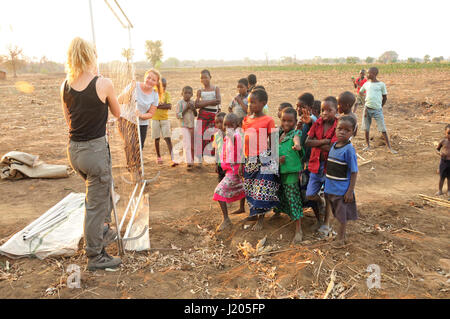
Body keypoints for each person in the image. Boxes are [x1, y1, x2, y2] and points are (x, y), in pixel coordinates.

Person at [61, 37, 122, 270]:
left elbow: (69, 120)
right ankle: (95, 255)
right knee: (94, 205)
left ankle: (102, 230)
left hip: (74, 151)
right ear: (90, 56)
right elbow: (116, 112)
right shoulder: (103, 83)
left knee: (102, 189)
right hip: (95, 151)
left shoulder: (65, 84)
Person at [241, 89, 279, 231]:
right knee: (250, 189)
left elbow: (274, 142)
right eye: (249, 102)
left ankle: (261, 219)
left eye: (253, 102)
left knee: (261, 190)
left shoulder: (269, 120)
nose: (250, 105)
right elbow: (243, 142)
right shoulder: (246, 120)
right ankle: (254, 214)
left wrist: (273, 163)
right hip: (249, 160)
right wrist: (241, 162)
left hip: (264, 159)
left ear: (263, 103)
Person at [305, 96, 338, 236]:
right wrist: (324, 141)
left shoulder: (338, 125)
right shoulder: (317, 123)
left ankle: (326, 223)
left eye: (329, 110)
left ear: (336, 111)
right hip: (315, 164)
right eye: (323, 110)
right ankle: (321, 201)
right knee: (310, 194)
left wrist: (317, 143)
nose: (325, 113)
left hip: (329, 165)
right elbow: (307, 141)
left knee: (329, 194)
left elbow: (332, 147)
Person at [324, 116, 359, 247]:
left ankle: (341, 239)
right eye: (340, 129)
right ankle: (338, 236)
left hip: (341, 190)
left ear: (353, 132)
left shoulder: (349, 150)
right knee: (336, 214)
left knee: (341, 215)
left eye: (347, 130)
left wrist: (350, 191)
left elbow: (354, 171)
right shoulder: (334, 146)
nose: (342, 132)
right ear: (335, 129)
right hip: (331, 188)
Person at [273, 107, 305, 244]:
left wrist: (297, 146)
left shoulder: (295, 133)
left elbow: (297, 141)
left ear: (295, 121)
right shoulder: (279, 133)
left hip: (291, 172)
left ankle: (299, 229)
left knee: (293, 197)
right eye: (284, 120)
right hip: (279, 170)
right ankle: (279, 214)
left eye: (290, 121)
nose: (286, 123)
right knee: (280, 193)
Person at [213, 113, 246, 231]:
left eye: (230, 125)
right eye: (225, 125)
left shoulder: (237, 135)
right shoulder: (227, 136)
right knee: (244, 189)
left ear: (236, 124)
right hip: (230, 170)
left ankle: (226, 219)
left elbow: (241, 149)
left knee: (219, 191)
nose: (227, 128)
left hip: (235, 170)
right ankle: (242, 209)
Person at [118, 69, 160, 150]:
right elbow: (120, 100)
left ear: (156, 83)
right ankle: (132, 162)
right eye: (148, 77)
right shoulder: (134, 85)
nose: (150, 81)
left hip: (142, 123)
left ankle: (136, 163)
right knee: (131, 146)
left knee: (139, 148)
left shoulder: (155, 94)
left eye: (153, 80)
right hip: (127, 120)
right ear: (145, 77)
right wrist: (131, 90)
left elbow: (151, 113)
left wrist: (141, 115)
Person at [360, 67, 397, 154]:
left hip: (377, 110)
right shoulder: (366, 84)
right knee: (366, 128)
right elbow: (361, 93)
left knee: (382, 129)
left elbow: (385, 97)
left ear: (374, 74)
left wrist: (381, 106)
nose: (367, 75)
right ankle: (368, 145)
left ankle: (389, 147)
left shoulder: (381, 85)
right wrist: (364, 102)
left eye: (369, 73)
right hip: (367, 109)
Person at [296, 93, 321, 225]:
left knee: (310, 191)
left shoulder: (312, 119)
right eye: (297, 106)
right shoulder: (302, 121)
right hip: (304, 162)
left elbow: (315, 124)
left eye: (302, 106)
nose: (299, 109)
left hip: (311, 163)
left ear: (310, 107)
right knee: (303, 190)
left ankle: (320, 218)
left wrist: (309, 121)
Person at [195, 70, 221, 163]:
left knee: (213, 136)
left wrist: (203, 103)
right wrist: (211, 102)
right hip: (203, 115)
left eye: (205, 77)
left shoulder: (216, 88)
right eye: (201, 77)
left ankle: (214, 157)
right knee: (199, 135)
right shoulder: (199, 91)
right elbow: (196, 105)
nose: (203, 79)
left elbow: (218, 101)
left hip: (214, 115)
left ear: (210, 77)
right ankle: (199, 159)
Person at [152, 77, 176, 166]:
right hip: (154, 119)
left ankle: (173, 158)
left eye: (165, 86)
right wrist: (162, 105)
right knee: (157, 139)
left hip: (164, 119)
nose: (164, 88)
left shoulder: (167, 94)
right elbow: (151, 105)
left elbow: (169, 106)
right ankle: (158, 157)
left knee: (167, 138)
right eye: (162, 86)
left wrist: (157, 106)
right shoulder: (153, 93)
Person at [176, 86, 197, 170]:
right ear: (182, 94)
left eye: (189, 93)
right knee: (187, 144)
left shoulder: (193, 102)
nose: (187, 95)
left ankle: (191, 159)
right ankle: (188, 162)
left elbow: (196, 114)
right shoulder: (180, 103)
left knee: (192, 144)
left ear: (192, 94)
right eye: (185, 93)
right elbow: (178, 116)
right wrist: (186, 108)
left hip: (192, 125)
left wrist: (193, 108)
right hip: (184, 126)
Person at [436, 124, 450, 196]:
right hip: (444, 162)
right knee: (442, 177)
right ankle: (440, 190)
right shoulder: (443, 141)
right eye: (449, 133)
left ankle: (449, 190)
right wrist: (440, 153)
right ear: (445, 132)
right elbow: (437, 149)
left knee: (449, 178)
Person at [213, 112, 226, 181]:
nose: (219, 125)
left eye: (221, 122)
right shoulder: (216, 135)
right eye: (217, 123)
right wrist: (216, 164)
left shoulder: (230, 135)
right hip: (220, 164)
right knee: (221, 180)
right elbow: (216, 150)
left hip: (229, 164)